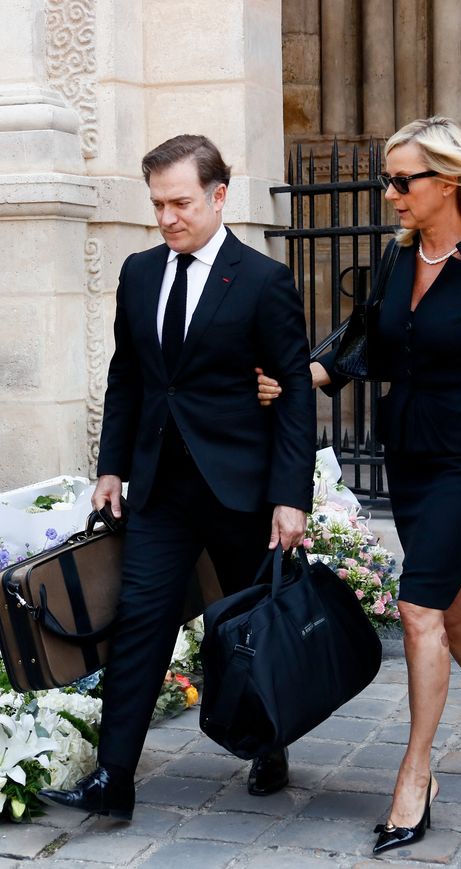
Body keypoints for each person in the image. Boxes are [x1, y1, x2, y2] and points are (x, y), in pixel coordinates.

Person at [256, 116, 461, 856]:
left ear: (448, 180)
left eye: (402, 180)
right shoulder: (396, 261)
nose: (389, 192)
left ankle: (414, 774)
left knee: (419, 603)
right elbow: (365, 341)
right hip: (409, 451)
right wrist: (305, 379)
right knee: (450, 603)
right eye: (386, 179)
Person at [39, 134, 316, 820]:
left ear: (219, 196)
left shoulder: (262, 281)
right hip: (161, 488)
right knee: (140, 622)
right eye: (157, 203)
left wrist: (290, 497)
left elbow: (295, 394)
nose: (166, 216)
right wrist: (111, 467)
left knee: (249, 627)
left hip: (241, 488)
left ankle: (268, 745)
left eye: (180, 202)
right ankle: (115, 778)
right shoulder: (138, 273)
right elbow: (128, 376)